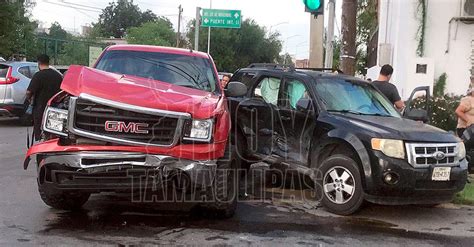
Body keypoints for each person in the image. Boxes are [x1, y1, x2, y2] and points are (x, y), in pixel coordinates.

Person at [26, 54, 63, 141]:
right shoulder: (57, 76)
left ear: (38, 63)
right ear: (48, 62)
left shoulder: (38, 76)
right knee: (54, 131)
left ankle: (42, 143)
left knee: (41, 131)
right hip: (55, 109)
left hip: (40, 109)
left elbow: (29, 92)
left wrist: (29, 99)